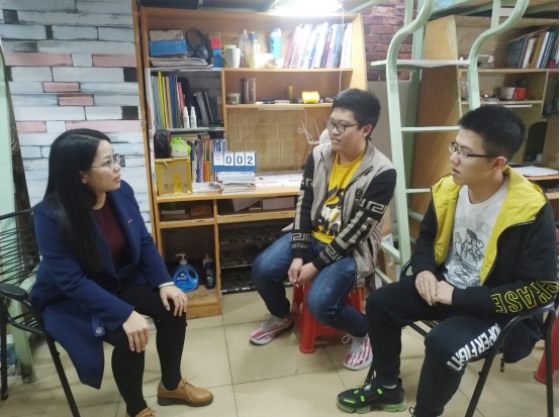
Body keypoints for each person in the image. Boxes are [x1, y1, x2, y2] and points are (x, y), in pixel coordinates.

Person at [337, 106, 558, 415]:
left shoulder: (531, 210)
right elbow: (427, 238)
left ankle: (427, 412)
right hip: (444, 288)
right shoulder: (448, 190)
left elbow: (541, 290)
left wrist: (460, 297)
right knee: (379, 303)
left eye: (465, 153)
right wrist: (425, 271)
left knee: (442, 344)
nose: (453, 158)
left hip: (493, 310)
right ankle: (387, 387)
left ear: (497, 163)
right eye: (455, 146)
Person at [30, 129, 213, 417]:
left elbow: (143, 240)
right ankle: (136, 409)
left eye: (115, 159)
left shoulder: (120, 191)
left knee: (174, 307)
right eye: (107, 163)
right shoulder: (50, 215)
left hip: (118, 278)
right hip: (73, 297)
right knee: (130, 334)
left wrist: (164, 282)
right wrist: (124, 314)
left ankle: (171, 385)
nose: (117, 168)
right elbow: (71, 282)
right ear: (81, 175)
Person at [250, 89, 397, 370]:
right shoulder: (319, 155)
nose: (333, 131)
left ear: (365, 129)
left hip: (351, 251)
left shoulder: (383, 172)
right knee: (262, 269)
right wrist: (298, 254)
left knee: (319, 303)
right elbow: (304, 205)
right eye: (331, 123)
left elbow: (356, 232)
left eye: (342, 125)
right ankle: (282, 315)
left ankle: (365, 330)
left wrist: (315, 265)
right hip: (312, 236)